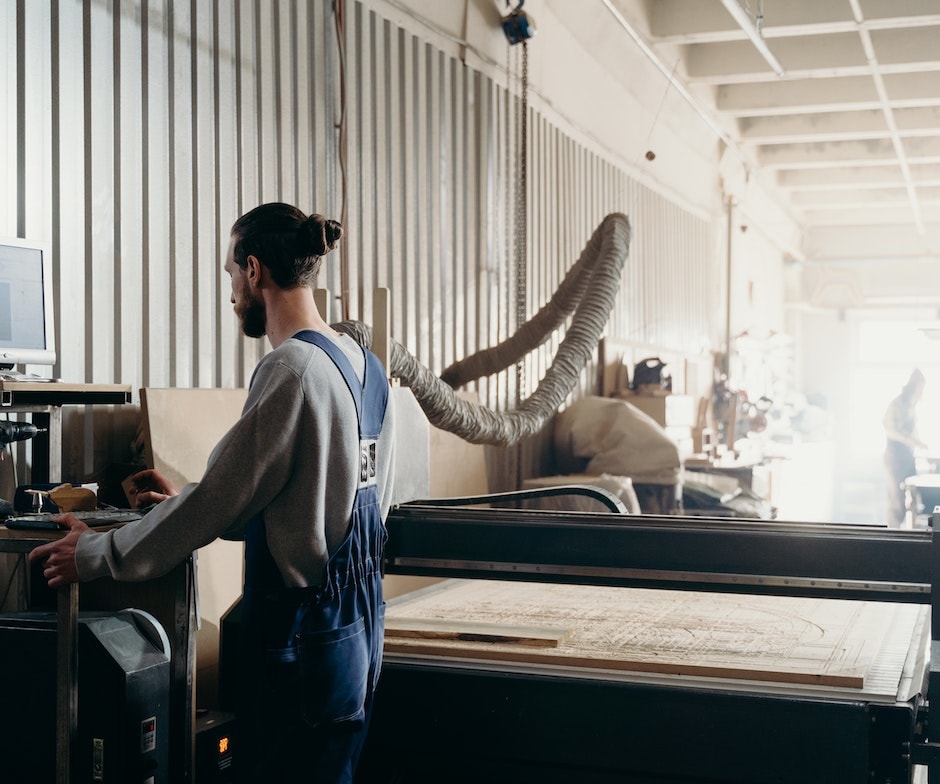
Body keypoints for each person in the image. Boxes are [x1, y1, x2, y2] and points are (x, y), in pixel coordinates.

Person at [29, 202, 396, 783]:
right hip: (355, 638)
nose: (231, 293)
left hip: (297, 644)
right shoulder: (367, 368)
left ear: (254, 270)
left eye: (230, 274)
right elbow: (316, 504)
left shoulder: (292, 370)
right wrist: (187, 507)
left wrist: (94, 554)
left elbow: (212, 506)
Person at [883, 369, 926, 528]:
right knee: (896, 501)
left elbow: (912, 431)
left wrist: (919, 443)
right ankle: (893, 535)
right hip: (895, 458)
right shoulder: (896, 405)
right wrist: (910, 441)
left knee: (913, 497)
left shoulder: (911, 406)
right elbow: (891, 430)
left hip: (908, 457)